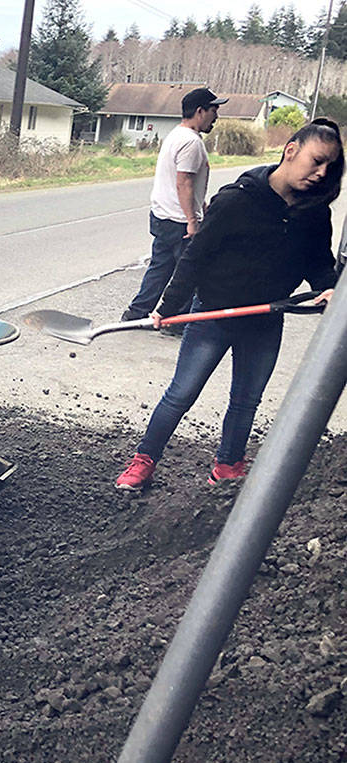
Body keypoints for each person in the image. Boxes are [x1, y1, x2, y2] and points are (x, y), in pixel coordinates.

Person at [114, 119, 342, 491]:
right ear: (291, 151)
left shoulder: (314, 212)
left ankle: (228, 465)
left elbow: (317, 260)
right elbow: (195, 257)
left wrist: (327, 288)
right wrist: (169, 307)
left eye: (330, 166)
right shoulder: (238, 199)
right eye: (317, 161)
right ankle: (144, 459)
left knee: (246, 400)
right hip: (212, 314)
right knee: (181, 394)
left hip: (265, 319)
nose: (322, 173)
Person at [121, 87, 227, 333]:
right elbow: (184, 182)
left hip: (162, 214)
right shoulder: (191, 142)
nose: (216, 117)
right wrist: (192, 219)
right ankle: (176, 322)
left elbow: (188, 182)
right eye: (214, 110)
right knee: (192, 271)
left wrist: (202, 205)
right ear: (199, 111)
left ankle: (135, 314)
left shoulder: (176, 135)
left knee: (161, 267)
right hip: (179, 220)